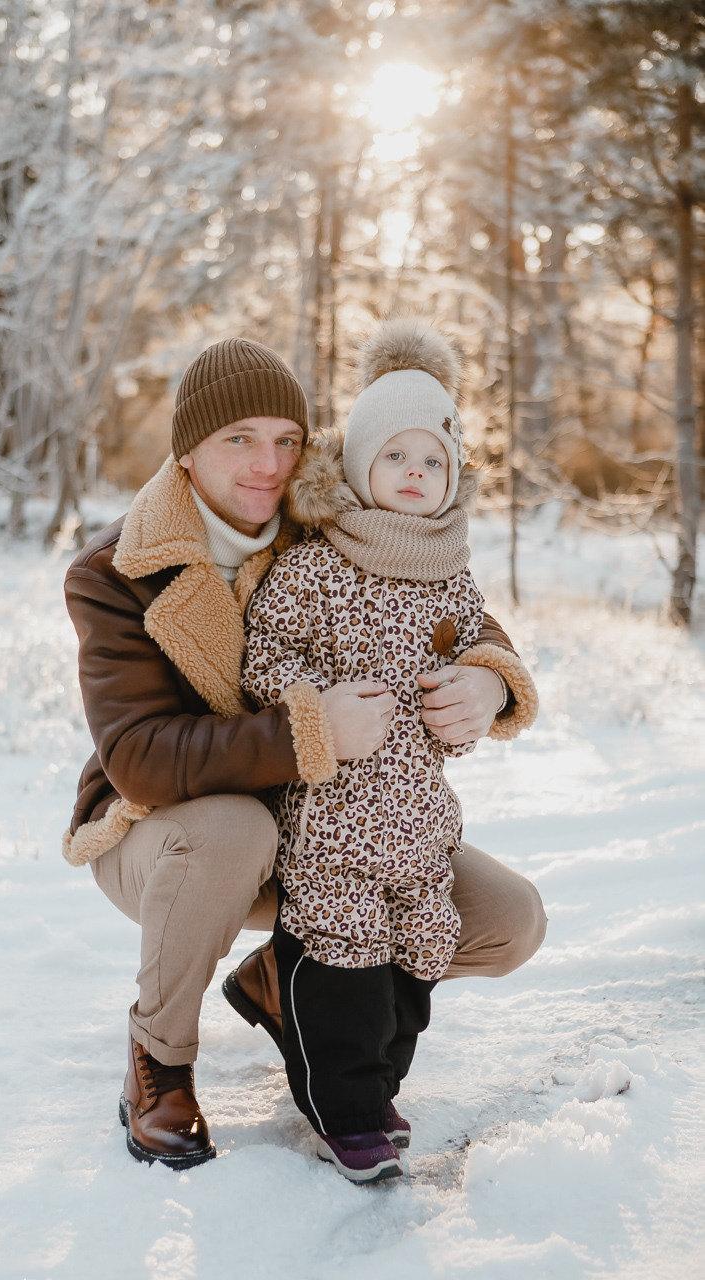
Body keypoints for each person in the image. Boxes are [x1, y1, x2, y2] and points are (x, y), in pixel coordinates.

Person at [62, 335, 544, 1172]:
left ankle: (289, 983)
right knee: (231, 831)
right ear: (187, 452)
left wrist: (489, 680)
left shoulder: (328, 515)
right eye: (238, 440)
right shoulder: (116, 570)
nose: (267, 465)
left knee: (507, 921)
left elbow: (437, 596)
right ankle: (158, 1060)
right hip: (165, 834)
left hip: (334, 827)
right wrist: (305, 731)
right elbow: (139, 755)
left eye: (287, 439)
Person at [240, 318, 539, 1183]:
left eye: (432, 463)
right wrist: (313, 708)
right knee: (344, 952)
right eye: (396, 458)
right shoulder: (317, 564)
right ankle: (346, 1111)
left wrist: (474, 694)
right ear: (359, 465)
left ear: (453, 480)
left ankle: (377, 1084)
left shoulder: (452, 572)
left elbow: (474, 650)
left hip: (420, 820)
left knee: (418, 950)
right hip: (333, 817)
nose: (415, 476)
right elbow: (266, 654)